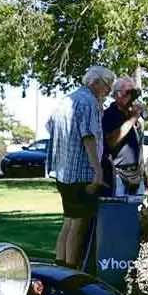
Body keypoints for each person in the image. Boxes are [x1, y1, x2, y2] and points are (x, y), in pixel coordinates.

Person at [46, 65, 115, 268]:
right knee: (78, 225)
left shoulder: (66, 100)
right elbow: (89, 136)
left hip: (62, 173)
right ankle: (70, 271)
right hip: (81, 174)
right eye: (107, 87)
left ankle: (60, 266)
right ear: (96, 82)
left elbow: (50, 127)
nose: (108, 92)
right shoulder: (87, 102)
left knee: (68, 221)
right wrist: (98, 169)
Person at [102, 77, 148, 196]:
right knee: (119, 210)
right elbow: (111, 141)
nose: (131, 96)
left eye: (134, 93)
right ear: (118, 94)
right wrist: (132, 119)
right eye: (128, 92)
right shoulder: (109, 114)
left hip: (136, 173)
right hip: (117, 174)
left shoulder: (130, 113)